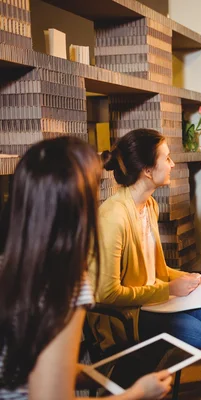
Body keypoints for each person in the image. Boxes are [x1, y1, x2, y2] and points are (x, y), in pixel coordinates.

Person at [0, 137, 172, 400]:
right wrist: (138, 393)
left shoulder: (11, 265)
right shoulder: (65, 284)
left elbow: (19, 366)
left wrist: (73, 370)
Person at [90, 129, 201, 400]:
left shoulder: (149, 205)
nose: (173, 164)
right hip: (131, 316)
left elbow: (154, 270)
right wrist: (170, 289)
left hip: (154, 303)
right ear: (148, 170)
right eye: (167, 158)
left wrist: (187, 277)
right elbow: (107, 293)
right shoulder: (113, 217)